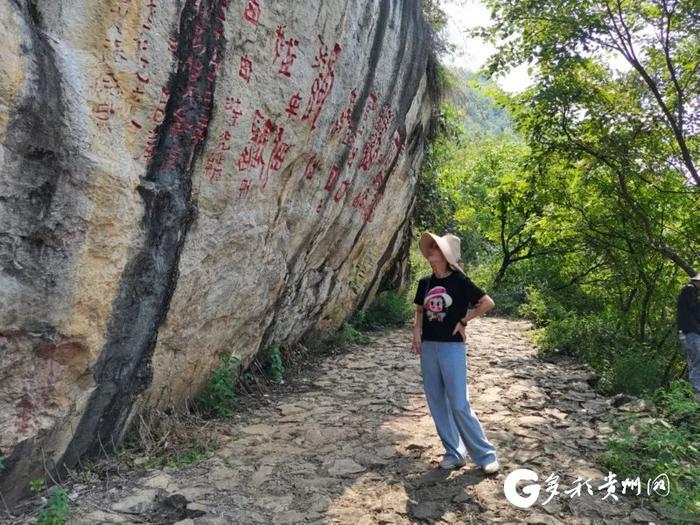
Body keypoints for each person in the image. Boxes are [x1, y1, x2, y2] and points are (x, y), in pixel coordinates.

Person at [412, 231, 500, 474]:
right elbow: (420, 309)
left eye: (435, 247)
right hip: (429, 346)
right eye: (429, 247)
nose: (430, 250)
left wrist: (465, 320)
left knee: (459, 403)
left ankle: (485, 456)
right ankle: (454, 453)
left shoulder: (460, 281)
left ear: (445, 255)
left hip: (452, 346)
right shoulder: (425, 283)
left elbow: (487, 302)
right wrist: (416, 332)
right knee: (437, 401)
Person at [676, 273, 700, 402]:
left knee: (694, 362)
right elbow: (694, 309)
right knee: (697, 362)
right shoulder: (690, 289)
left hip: (688, 332)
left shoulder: (690, 291)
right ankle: (697, 393)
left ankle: (694, 393)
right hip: (690, 332)